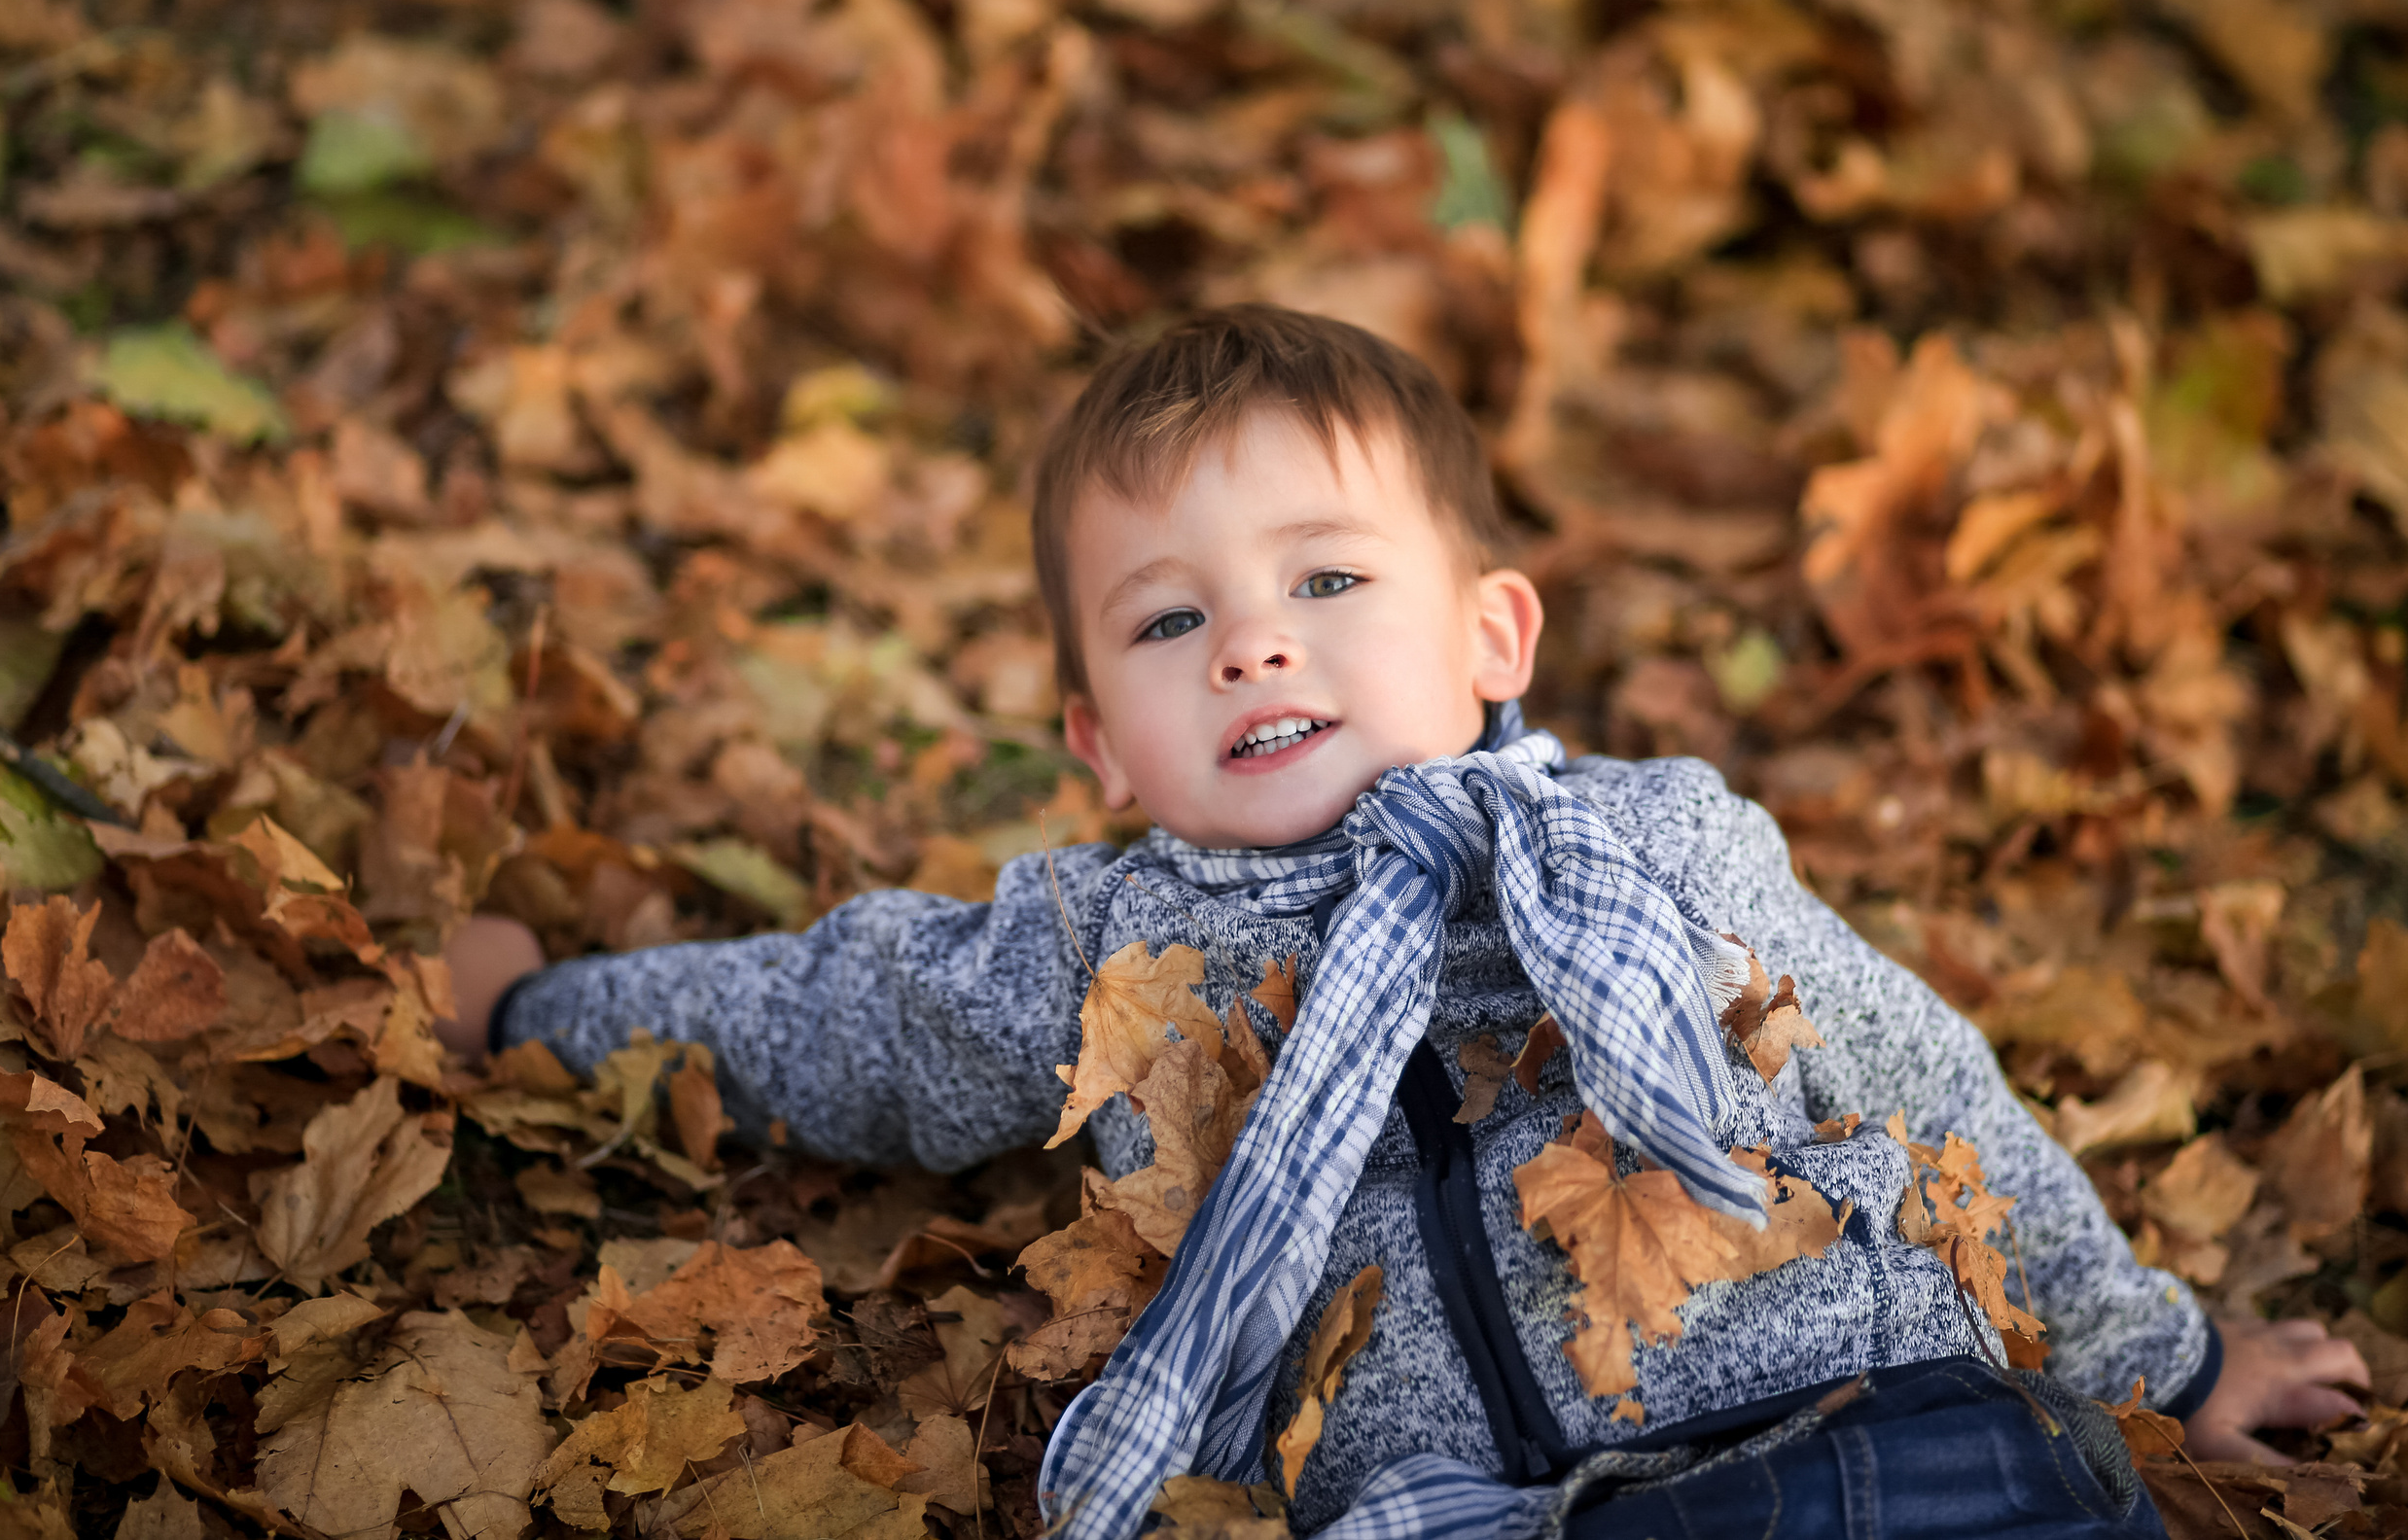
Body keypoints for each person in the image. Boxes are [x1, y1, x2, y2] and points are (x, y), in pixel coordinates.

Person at [442, 306, 2366, 1538]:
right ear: (1098, 739)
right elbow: (833, 1015)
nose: (1252, 638)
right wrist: (542, 1005)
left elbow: (1918, 1085)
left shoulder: (1652, 855)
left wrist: (2162, 1353)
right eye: (1168, 618)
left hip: (1857, 1433)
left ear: (1487, 635)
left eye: (1324, 576)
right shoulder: (1099, 952)